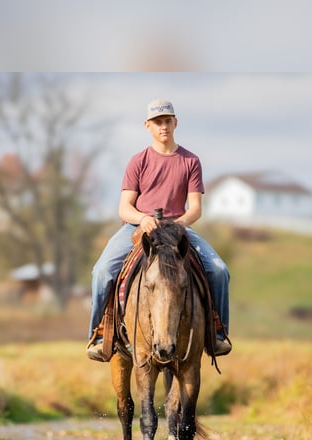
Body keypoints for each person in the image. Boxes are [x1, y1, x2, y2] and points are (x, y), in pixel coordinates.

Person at [87, 98, 231, 361]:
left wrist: (180, 224)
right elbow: (124, 207)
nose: (163, 127)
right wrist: (142, 219)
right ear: (148, 126)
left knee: (220, 270)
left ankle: (217, 333)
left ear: (175, 123)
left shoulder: (190, 161)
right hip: (137, 227)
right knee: (102, 271)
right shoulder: (138, 161)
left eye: (167, 121)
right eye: (157, 122)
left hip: (177, 228)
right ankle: (98, 334)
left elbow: (196, 207)